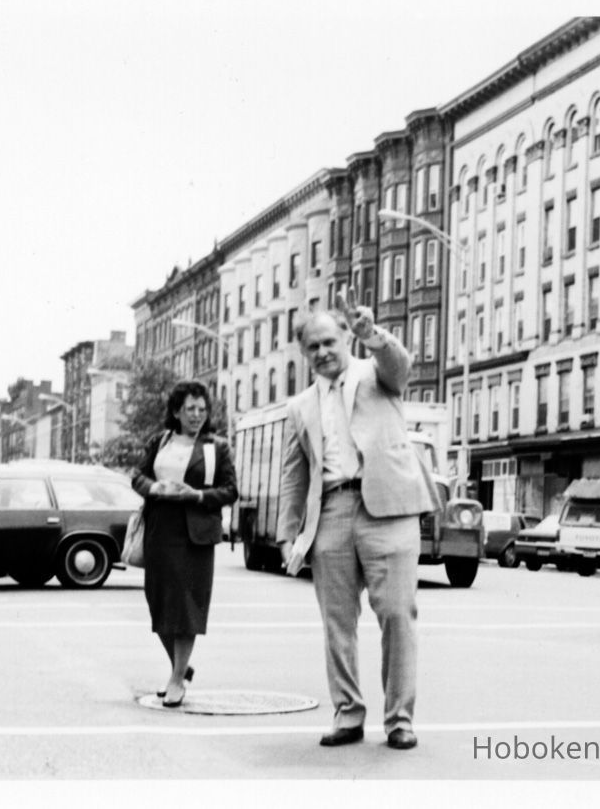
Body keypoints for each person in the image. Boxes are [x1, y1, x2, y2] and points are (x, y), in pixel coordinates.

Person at [276, 294, 439, 750]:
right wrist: (288, 534)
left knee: (397, 615)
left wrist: (373, 335)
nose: (324, 351)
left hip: (387, 508)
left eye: (331, 341)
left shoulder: (375, 374)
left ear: (345, 337)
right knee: (337, 622)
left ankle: (399, 719)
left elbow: (400, 366)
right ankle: (347, 713)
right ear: (304, 353)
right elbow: (295, 471)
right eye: (314, 347)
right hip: (330, 512)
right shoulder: (300, 405)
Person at [132, 381, 237, 707]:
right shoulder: (159, 441)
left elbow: (230, 490)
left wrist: (198, 495)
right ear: (176, 411)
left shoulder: (216, 447)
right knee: (161, 605)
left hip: (196, 535)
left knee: (187, 608)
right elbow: (137, 476)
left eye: (202, 410)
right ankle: (180, 666)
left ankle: (177, 679)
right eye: (190, 409)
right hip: (160, 531)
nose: (196, 415)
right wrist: (155, 488)